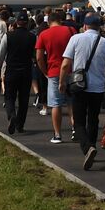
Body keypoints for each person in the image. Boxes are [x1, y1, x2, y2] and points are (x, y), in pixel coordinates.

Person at [61, 14, 105, 170]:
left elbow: (65, 64)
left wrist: (62, 81)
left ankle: (87, 147)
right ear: (99, 27)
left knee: (78, 121)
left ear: (84, 26)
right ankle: (91, 145)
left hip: (79, 85)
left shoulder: (76, 39)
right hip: (98, 87)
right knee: (93, 118)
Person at [36, 13, 75, 143]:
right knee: (71, 102)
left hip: (53, 71)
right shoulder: (70, 31)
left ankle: (57, 134)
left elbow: (39, 57)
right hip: (71, 70)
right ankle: (75, 129)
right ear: (60, 20)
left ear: (49, 23)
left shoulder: (44, 34)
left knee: (55, 104)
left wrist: (44, 72)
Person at [0, 17, 37, 135]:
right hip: (26, 71)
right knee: (24, 99)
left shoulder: (8, 36)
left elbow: (1, 54)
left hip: (12, 70)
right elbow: (35, 54)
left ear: (16, 23)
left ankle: (11, 115)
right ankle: (20, 125)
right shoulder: (32, 37)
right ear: (27, 24)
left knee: (9, 96)